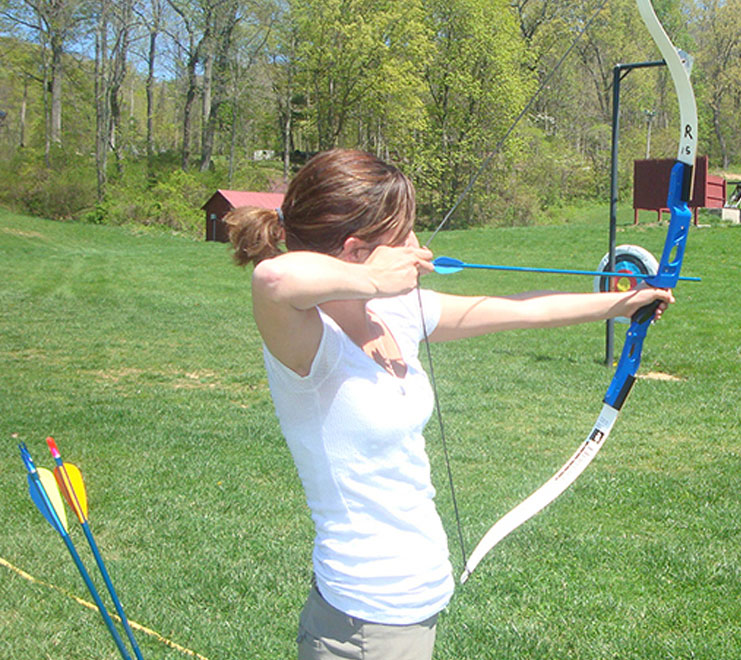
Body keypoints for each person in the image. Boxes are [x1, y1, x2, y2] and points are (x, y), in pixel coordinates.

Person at [225, 149, 673, 660]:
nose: (419, 247)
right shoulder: (308, 343)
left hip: (409, 608)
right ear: (355, 252)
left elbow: (518, 310)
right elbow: (273, 280)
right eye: (405, 237)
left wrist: (622, 303)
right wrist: (376, 278)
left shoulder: (394, 314)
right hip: (364, 622)